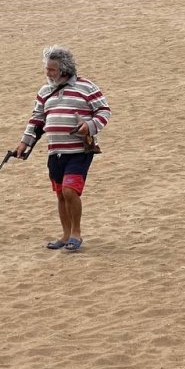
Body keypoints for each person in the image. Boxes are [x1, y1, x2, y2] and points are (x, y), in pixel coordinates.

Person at [14, 46, 111, 252]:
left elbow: (103, 110)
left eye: (52, 69)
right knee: (60, 194)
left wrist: (89, 126)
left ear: (64, 69)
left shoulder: (86, 87)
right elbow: (36, 119)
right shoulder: (44, 91)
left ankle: (76, 234)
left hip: (79, 151)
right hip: (54, 150)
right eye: (47, 69)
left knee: (69, 191)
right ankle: (65, 234)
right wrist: (25, 143)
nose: (48, 73)